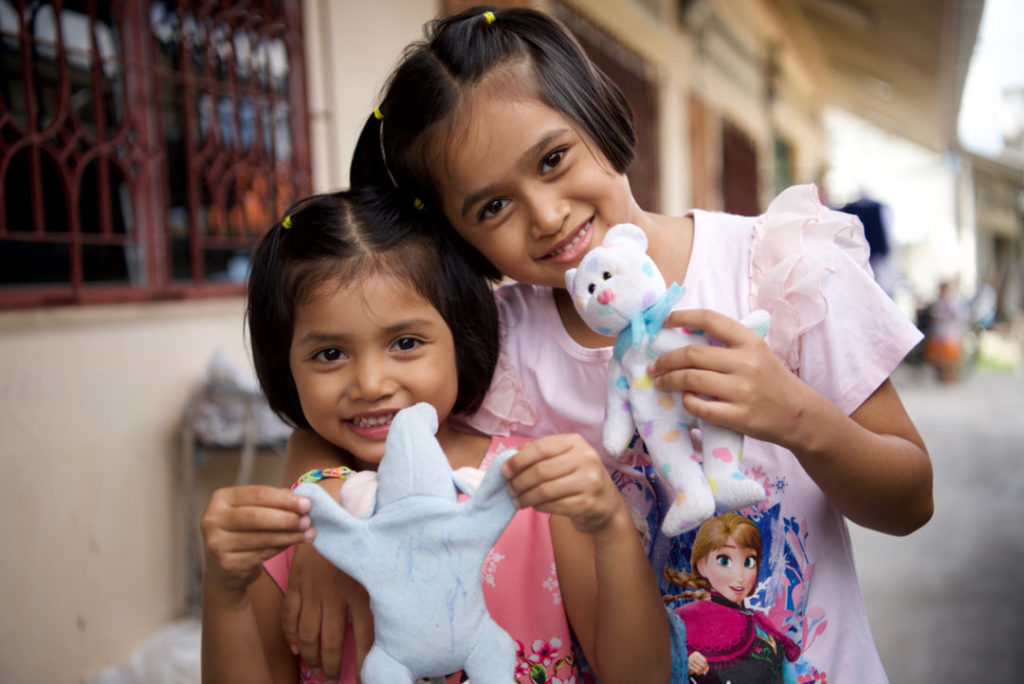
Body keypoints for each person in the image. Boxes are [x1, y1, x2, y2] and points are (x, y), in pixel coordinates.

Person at [282, 6, 934, 682]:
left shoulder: (775, 269)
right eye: (491, 207)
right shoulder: (495, 345)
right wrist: (321, 520)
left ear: (598, 114)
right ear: (460, 239)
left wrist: (795, 415)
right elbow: (334, 428)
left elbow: (911, 501)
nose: (547, 213)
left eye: (554, 158)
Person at [199, 186, 671, 684]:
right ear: (284, 366)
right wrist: (225, 590)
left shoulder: (536, 492)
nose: (371, 384)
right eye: (330, 354)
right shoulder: (291, 529)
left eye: (405, 343)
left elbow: (643, 675)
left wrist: (611, 524)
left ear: (461, 336)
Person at [663, 513, 799, 683]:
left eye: (749, 562)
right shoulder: (681, 622)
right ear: (702, 565)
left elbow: (787, 677)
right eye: (725, 560)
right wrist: (683, 665)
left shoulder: (762, 625)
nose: (740, 576)